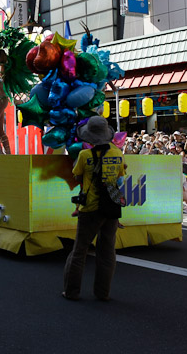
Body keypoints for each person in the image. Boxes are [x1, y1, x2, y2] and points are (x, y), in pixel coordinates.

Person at [63, 116, 126, 302]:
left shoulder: (84, 156)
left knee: (79, 251)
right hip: (111, 207)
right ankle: (102, 292)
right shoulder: (117, 153)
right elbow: (120, 177)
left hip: (90, 208)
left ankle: (72, 291)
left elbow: (77, 177)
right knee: (107, 252)